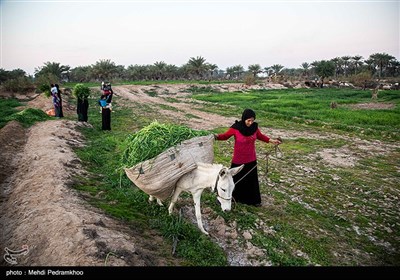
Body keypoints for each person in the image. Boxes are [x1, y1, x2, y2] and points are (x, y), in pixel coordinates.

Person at [214, 108, 281, 206]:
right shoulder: (236, 128)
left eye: (252, 120)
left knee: (251, 181)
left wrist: (272, 141)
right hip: (238, 160)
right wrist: (215, 136)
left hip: (251, 160)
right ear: (244, 118)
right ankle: (230, 198)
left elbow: (261, 136)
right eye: (248, 120)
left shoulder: (254, 128)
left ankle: (253, 201)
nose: (250, 122)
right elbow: (225, 136)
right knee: (234, 181)